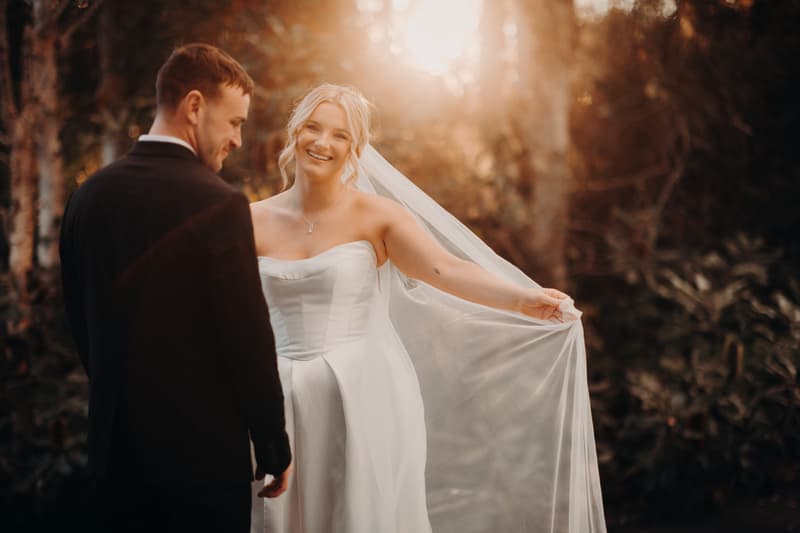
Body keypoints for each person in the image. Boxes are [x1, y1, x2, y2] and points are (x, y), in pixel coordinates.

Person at [249, 84, 606, 532]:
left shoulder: (378, 216)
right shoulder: (250, 219)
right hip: (279, 397)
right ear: (294, 132)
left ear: (356, 148)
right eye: (314, 128)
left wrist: (524, 300)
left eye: (340, 135)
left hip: (361, 395)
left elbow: (444, 269)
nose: (323, 143)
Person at [59, 43, 292, 533]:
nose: (238, 139)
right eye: (234, 122)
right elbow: (247, 336)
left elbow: (82, 324)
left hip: (112, 459)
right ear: (193, 106)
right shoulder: (220, 204)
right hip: (199, 468)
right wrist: (273, 444)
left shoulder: (87, 197)